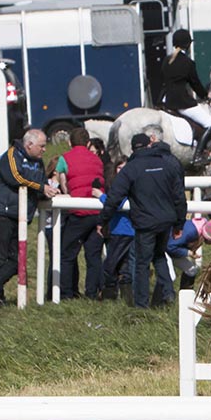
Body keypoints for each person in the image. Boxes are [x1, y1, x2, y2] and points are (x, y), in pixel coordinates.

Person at [99, 132, 186, 309]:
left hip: (145, 223)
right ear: (149, 145)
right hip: (166, 221)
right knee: (159, 256)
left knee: (142, 263)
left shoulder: (131, 168)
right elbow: (179, 196)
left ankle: (141, 306)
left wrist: (103, 220)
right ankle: (168, 294)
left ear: (133, 148)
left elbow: (114, 197)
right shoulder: (166, 164)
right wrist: (179, 224)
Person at [0, 129, 59, 308]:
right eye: (42, 146)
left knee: (16, 259)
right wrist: (41, 187)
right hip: (1, 212)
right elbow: (15, 178)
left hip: (21, 216)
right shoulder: (10, 155)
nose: (44, 150)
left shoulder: (38, 163)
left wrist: (48, 192)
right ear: (29, 144)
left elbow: (38, 186)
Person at [58, 128, 104, 300]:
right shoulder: (97, 160)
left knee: (67, 254)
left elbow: (63, 182)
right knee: (93, 255)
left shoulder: (65, 158)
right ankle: (92, 293)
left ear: (70, 142)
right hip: (96, 210)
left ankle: (67, 294)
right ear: (88, 143)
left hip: (78, 211)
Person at [161, 28, 211, 166]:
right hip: (182, 102)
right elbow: (195, 83)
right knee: (210, 124)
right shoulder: (188, 63)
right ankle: (198, 155)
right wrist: (205, 96)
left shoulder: (166, 60)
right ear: (187, 45)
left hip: (166, 101)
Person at [97, 159, 134, 302]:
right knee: (123, 267)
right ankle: (125, 300)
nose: (122, 170)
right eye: (119, 167)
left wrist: (100, 196)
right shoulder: (116, 184)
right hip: (119, 230)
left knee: (110, 266)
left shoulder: (129, 185)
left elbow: (118, 203)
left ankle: (109, 298)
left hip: (123, 231)